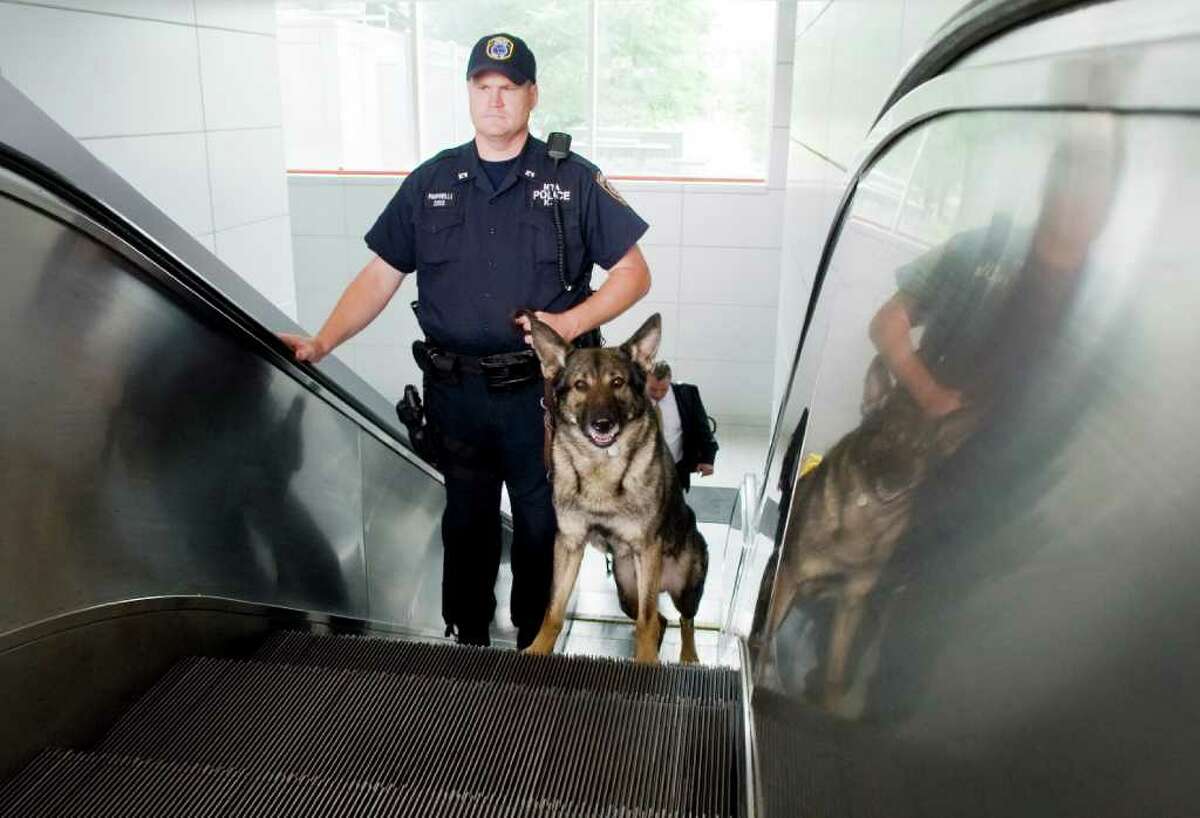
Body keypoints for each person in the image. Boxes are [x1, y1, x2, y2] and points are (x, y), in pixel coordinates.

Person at [278, 32, 651, 649]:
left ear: (532, 96)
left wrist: (568, 325)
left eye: (509, 88)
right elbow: (380, 276)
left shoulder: (573, 181)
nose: (495, 100)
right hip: (455, 395)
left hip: (540, 400)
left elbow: (635, 274)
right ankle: (468, 640)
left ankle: (535, 643)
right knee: (465, 525)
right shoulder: (431, 181)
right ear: (469, 94)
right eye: (483, 87)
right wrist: (322, 342)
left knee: (541, 526)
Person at [645, 362, 718, 492]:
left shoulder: (687, 394)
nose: (658, 394)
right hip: (642, 470)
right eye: (653, 389)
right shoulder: (630, 398)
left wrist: (708, 459)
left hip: (675, 468)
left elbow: (702, 428)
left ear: (670, 380)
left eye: (664, 390)